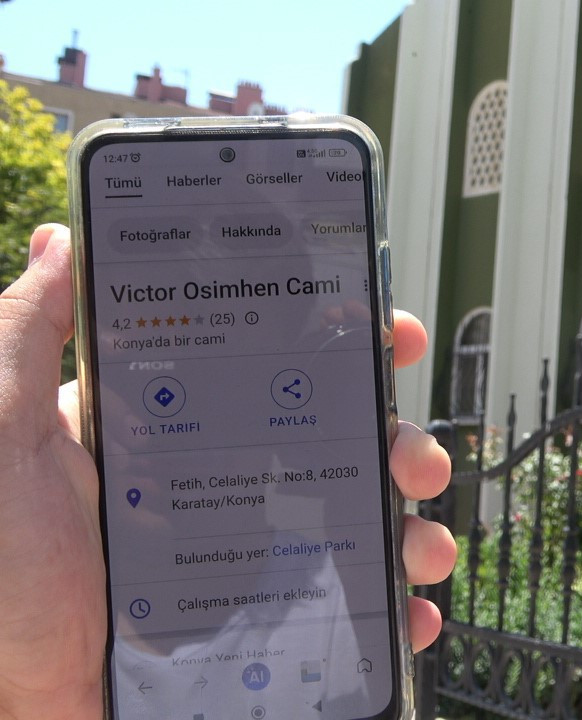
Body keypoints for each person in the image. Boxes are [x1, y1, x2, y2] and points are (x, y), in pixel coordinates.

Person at [0, 224, 456, 719]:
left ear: (286, 408)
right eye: (138, 378)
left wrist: (352, 520)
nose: (161, 425)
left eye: (222, 384)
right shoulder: (31, 595)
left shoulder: (335, 593)